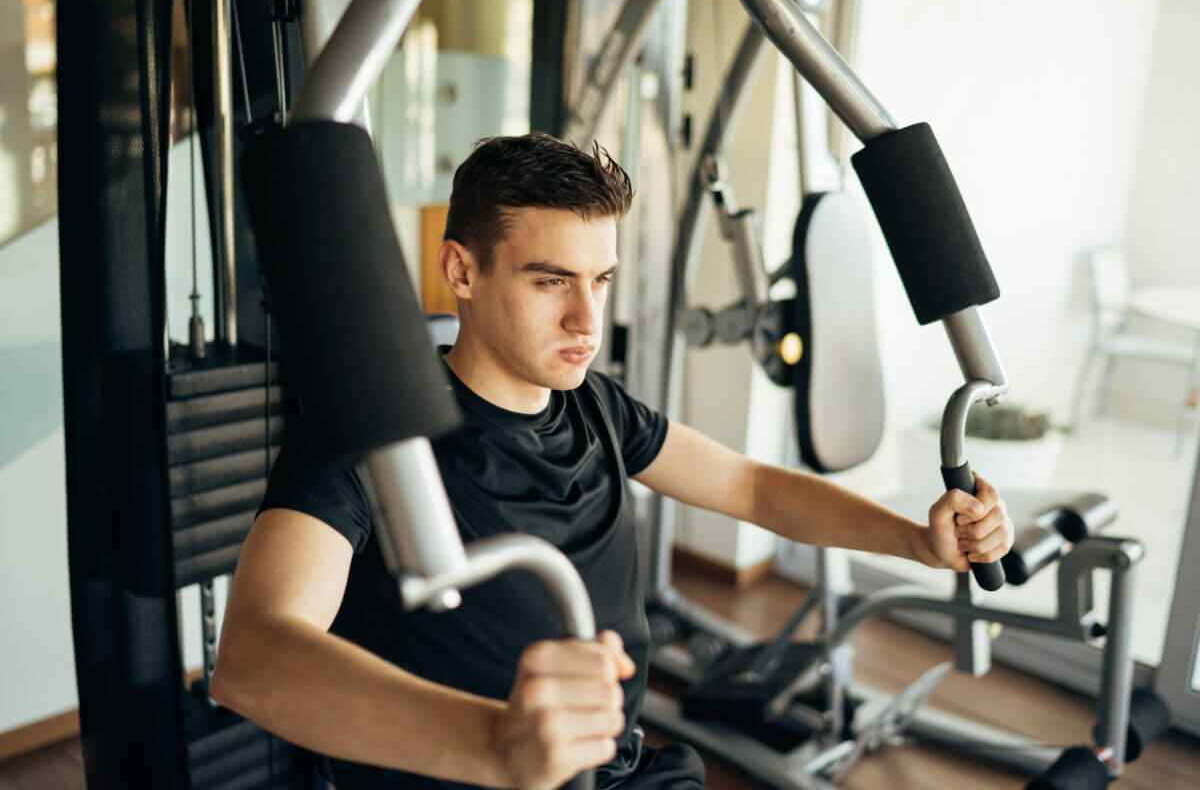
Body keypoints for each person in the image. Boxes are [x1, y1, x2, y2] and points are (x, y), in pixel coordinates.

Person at [211, 133, 1013, 790]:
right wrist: (496, 744)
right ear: (461, 270)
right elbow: (252, 658)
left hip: (624, 776)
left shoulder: (597, 405)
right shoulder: (375, 437)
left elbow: (748, 486)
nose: (586, 318)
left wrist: (916, 540)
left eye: (600, 280)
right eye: (551, 280)